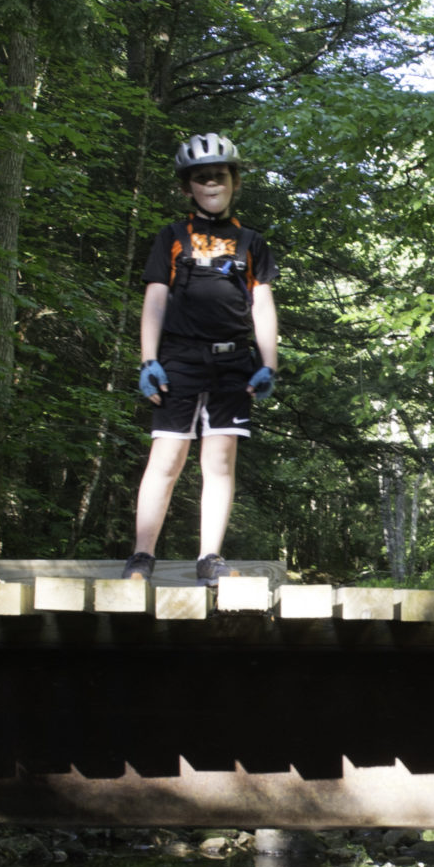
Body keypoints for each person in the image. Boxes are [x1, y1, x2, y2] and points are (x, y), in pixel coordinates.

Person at [122, 132, 280, 583]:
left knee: (220, 461)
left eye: (220, 176)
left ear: (234, 181)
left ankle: (210, 558)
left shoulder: (252, 242)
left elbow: (262, 304)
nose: (212, 184)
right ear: (187, 187)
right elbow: (154, 300)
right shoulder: (172, 237)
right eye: (201, 178)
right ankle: (141, 557)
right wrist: (147, 360)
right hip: (179, 360)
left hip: (234, 364)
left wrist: (269, 363)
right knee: (166, 458)